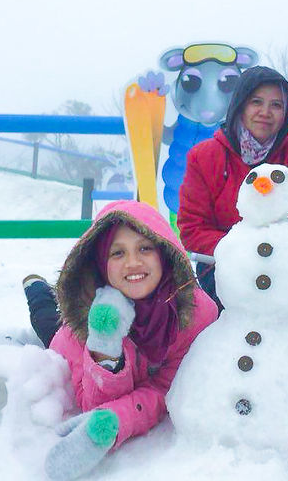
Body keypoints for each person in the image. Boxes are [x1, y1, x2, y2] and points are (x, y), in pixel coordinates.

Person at [25, 200, 218, 481]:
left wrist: (116, 421)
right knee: (46, 320)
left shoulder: (195, 313)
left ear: (164, 253)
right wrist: (105, 343)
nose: (133, 262)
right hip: (65, 337)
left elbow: (168, 388)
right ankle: (35, 289)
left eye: (144, 248)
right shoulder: (79, 324)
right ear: (102, 266)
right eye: (118, 253)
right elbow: (92, 402)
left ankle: (39, 290)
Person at [177, 66, 288, 307]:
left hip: (286, 270)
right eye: (256, 102)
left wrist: (274, 258)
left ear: (287, 112)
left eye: (276, 105)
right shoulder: (203, 157)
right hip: (221, 266)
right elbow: (192, 228)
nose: (265, 112)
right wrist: (246, 252)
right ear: (240, 105)